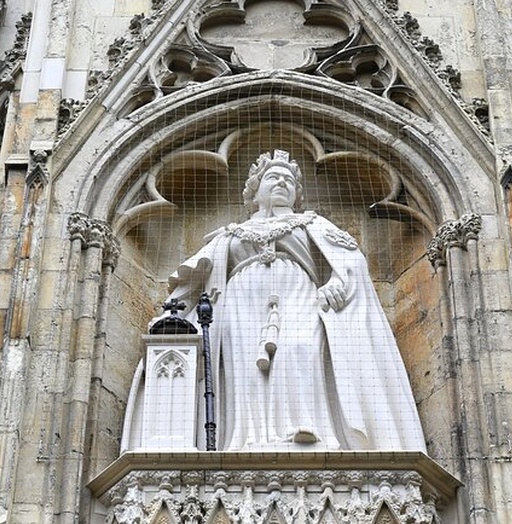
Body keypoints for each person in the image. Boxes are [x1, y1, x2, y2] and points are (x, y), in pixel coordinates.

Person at [152, 150, 425, 452]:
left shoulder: (312, 223)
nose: (281, 183)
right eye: (273, 177)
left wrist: (338, 284)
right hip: (241, 302)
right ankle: (248, 439)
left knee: (299, 350)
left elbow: (351, 261)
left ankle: (306, 428)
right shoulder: (229, 234)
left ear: (297, 194)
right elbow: (195, 278)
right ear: (255, 192)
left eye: (289, 181)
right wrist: (170, 315)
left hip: (299, 294)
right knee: (244, 366)